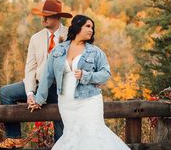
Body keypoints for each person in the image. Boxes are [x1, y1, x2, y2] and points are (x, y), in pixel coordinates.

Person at [28, 14, 130, 150]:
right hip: (66, 103)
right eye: (88, 26)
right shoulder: (58, 50)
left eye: (92, 28)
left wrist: (86, 75)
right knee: (72, 137)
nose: (91, 30)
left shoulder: (95, 52)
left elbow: (105, 74)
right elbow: (47, 76)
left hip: (89, 101)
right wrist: (39, 100)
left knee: (92, 135)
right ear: (77, 26)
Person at [0, 0, 73, 149]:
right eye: (42, 15)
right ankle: (14, 139)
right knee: (6, 93)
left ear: (57, 18)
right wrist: (30, 93)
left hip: (58, 88)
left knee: (61, 118)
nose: (43, 19)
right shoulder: (35, 38)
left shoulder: (70, 35)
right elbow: (30, 69)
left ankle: (61, 145)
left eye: (47, 16)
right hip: (36, 85)